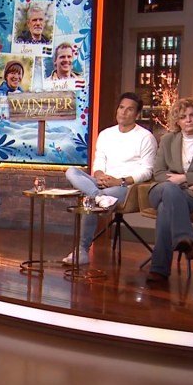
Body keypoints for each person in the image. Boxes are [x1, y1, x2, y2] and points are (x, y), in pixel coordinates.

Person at [61, 92, 157, 265]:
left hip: (127, 187)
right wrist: (99, 176)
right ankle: (99, 196)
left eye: (129, 109)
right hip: (102, 183)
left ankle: (82, 251)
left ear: (137, 114)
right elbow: (99, 162)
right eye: (121, 107)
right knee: (71, 171)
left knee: (89, 200)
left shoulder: (146, 137)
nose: (123, 112)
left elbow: (147, 171)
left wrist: (120, 181)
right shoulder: (106, 134)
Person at [145, 97, 193, 284]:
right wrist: (186, 182)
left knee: (165, 209)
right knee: (169, 189)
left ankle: (159, 270)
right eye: (183, 117)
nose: (188, 120)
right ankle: (184, 237)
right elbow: (159, 173)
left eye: (192, 115)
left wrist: (185, 177)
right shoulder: (167, 140)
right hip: (162, 189)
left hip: (192, 196)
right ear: (177, 121)